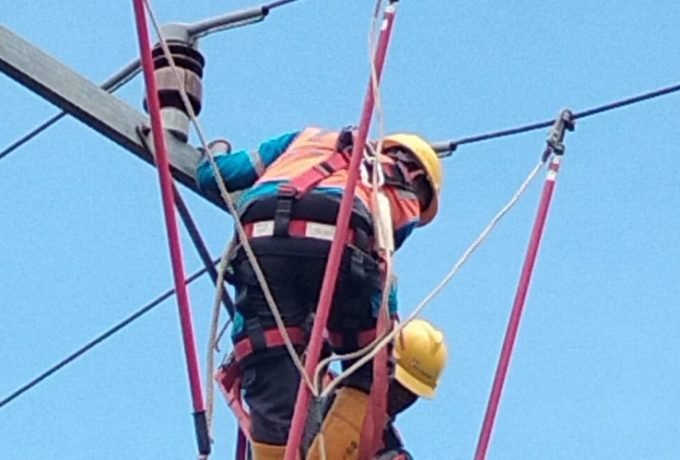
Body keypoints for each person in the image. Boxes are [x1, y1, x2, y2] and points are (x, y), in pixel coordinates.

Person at [196, 127, 443, 460]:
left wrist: (215, 151)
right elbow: (381, 272)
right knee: (369, 372)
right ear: (421, 183)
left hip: (261, 240)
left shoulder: (307, 139)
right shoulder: (405, 198)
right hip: (340, 245)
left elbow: (216, 174)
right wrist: (385, 332)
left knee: (269, 360)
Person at [307, 318, 448, 460]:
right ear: (385, 365)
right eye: (399, 387)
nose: (402, 398)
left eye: (411, 394)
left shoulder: (389, 451)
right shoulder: (327, 388)